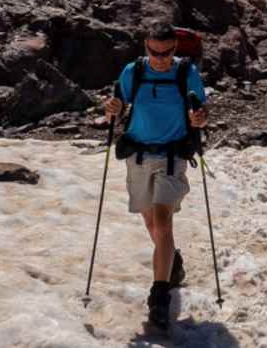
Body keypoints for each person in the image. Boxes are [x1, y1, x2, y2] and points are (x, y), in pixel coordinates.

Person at [102, 24, 209, 332]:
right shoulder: (132, 71)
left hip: (172, 157)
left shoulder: (186, 72)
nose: (161, 59)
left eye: (167, 52)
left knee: (162, 222)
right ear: (146, 46)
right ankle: (172, 262)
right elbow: (117, 107)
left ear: (176, 47)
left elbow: (200, 110)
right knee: (152, 225)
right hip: (138, 156)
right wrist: (111, 108)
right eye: (154, 52)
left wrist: (199, 117)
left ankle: (159, 298)